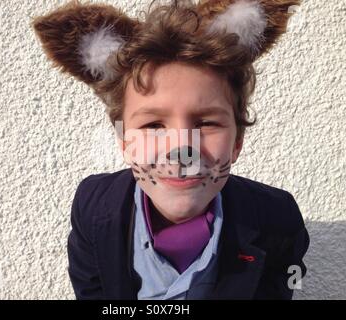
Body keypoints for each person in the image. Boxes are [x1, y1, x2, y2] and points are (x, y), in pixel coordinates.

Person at [32, 0, 309, 299]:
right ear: (124, 142)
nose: (182, 149)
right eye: (153, 125)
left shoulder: (279, 218)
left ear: (236, 143)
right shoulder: (93, 206)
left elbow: (286, 284)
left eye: (205, 123)